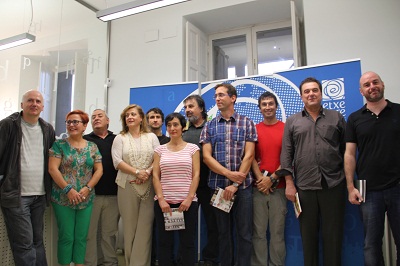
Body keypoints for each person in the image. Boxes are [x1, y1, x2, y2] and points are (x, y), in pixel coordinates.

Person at [280, 77, 346, 266]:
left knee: (333, 237)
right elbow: (286, 154)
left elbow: (346, 151)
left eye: (315, 90)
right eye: (307, 91)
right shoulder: (293, 121)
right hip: (304, 187)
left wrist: (346, 182)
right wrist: (290, 184)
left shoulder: (337, 117)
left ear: (321, 93)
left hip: (333, 184)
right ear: (301, 96)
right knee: (308, 238)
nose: (311, 94)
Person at [344, 71, 400, 266]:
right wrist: (351, 187)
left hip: (398, 186)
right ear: (361, 91)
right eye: (367, 85)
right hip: (366, 187)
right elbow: (349, 154)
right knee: (371, 244)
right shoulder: (354, 118)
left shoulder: (398, 111)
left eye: (375, 82)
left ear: (382, 84)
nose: (372, 87)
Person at [200, 83, 257, 266]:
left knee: (244, 234)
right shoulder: (209, 126)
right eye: (216, 95)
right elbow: (207, 158)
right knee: (223, 234)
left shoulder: (246, 122)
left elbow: (249, 155)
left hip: (243, 188)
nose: (217, 98)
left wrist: (235, 184)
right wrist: (228, 175)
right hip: (217, 187)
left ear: (233, 98)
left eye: (222, 95)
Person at [0, 90, 55, 266]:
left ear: (43, 107)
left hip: (40, 195)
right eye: (30, 100)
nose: (34, 104)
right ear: (22, 104)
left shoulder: (47, 129)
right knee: (24, 244)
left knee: (38, 242)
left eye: (38, 101)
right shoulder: (8, 125)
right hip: (16, 196)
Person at [48, 110, 103, 266]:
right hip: (63, 198)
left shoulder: (92, 147)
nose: (71, 125)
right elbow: (53, 169)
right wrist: (69, 190)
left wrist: (88, 188)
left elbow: (99, 170)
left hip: (86, 198)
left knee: (81, 237)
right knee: (67, 237)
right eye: (69, 122)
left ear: (85, 125)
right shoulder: (59, 145)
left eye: (76, 122)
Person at [111, 104, 159, 266]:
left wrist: (146, 173)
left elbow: (158, 158)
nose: (129, 117)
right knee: (129, 228)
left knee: (145, 228)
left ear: (140, 118)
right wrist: (137, 172)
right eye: (127, 116)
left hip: (149, 185)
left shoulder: (151, 137)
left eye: (133, 114)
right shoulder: (120, 138)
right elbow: (117, 161)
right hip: (127, 185)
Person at [153, 112, 200, 266]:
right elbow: (155, 176)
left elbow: (196, 175)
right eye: (169, 125)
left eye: (176, 124)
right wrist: (161, 199)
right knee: (164, 243)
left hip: (186, 204)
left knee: (187, 243)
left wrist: (189, 198)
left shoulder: (193, 149)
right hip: (164, 204)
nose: (172, 128)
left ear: (182, 127)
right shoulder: (159, 150)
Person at [182, 95, 219, 266]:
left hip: (209, 185)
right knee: (184, 224)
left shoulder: (212, 128)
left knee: (213, 223)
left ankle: (210, 257)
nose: (188, 110)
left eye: (191, 106)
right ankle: (185, 257)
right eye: (186, 107)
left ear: (202, 109)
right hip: (186, 186)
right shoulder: (183, 133)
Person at [251, 91, 287, 266]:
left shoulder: (286, 128)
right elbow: (249, 157)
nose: (268, 107)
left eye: (271, 104)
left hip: (279, 187)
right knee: (258, 233)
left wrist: (272, 178)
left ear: (276, 106)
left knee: (277, 233)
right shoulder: (254, 130)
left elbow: (289, 157)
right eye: (264, 104)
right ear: (259, 108)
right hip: (259, 189)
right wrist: (260, 179)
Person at [84, 109, 119, 266]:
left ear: (108, 121)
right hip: (91, 194)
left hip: (114, 194)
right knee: (89, 234)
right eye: (93, 117)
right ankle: (90, 262)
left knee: (109, 233)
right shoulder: (85, 140)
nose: (96, 119)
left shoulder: (118, 139)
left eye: (100, 116)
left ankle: (110, 262)